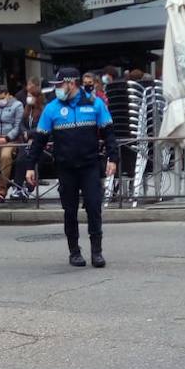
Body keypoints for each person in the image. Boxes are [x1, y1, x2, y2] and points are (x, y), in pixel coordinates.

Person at [24, 66, 118, 268]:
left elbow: (109, 133)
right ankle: (74, 252)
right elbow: (39, 140)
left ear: (71, 83)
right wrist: (30, 166)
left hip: (90, 165)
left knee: (94, 207)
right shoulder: (52, 108)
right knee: (70, 210)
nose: (56, 89)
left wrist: (113, 158)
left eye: (59, 85)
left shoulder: (95, 104)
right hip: (66, 167)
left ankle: (97, 252)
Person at [8, 80, 46, 200]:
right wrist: (25, 132)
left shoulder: (43, 111)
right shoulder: (27, 109)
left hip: (41, 144)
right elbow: (21, 124)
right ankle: (18, 187)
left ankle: (27, 188)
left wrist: (29, 134)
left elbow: (42, 127)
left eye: (30, 96)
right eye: (28, 96)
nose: (28, 98)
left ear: (37, 98)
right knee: (21, 158)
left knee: (29, 157)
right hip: (25, 142)